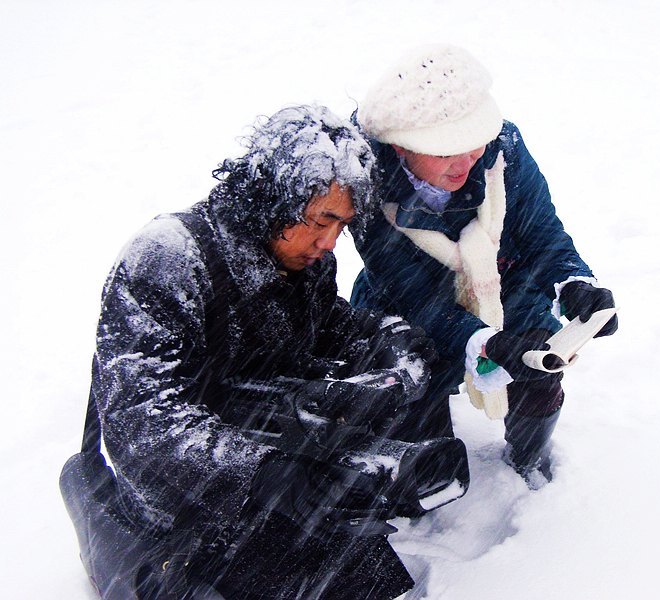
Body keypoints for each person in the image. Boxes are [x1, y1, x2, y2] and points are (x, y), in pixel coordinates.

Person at [85, 105, 449, 599]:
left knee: (367, 580)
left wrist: (392, 337)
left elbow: (331, 325)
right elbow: (139, 421)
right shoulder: (168, 259)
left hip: (276, 468)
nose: (329, 242)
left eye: (342, 227)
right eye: (322, 220)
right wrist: (263, 475)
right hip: (181, 503)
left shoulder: (301, 260)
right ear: (274, 196)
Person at [351, 44, 619, 489]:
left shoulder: (502, 148)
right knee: (413, 384)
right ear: (400, 145)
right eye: (445, 151)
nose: (468, 160)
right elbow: (409, 292)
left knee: (538, 362)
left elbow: (541, 233)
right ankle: (430, 476)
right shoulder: (367, 183)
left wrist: (575, 283)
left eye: (473, 141)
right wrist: (481, 341)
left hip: (501, 281)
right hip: (403, 302)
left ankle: (528, 458)